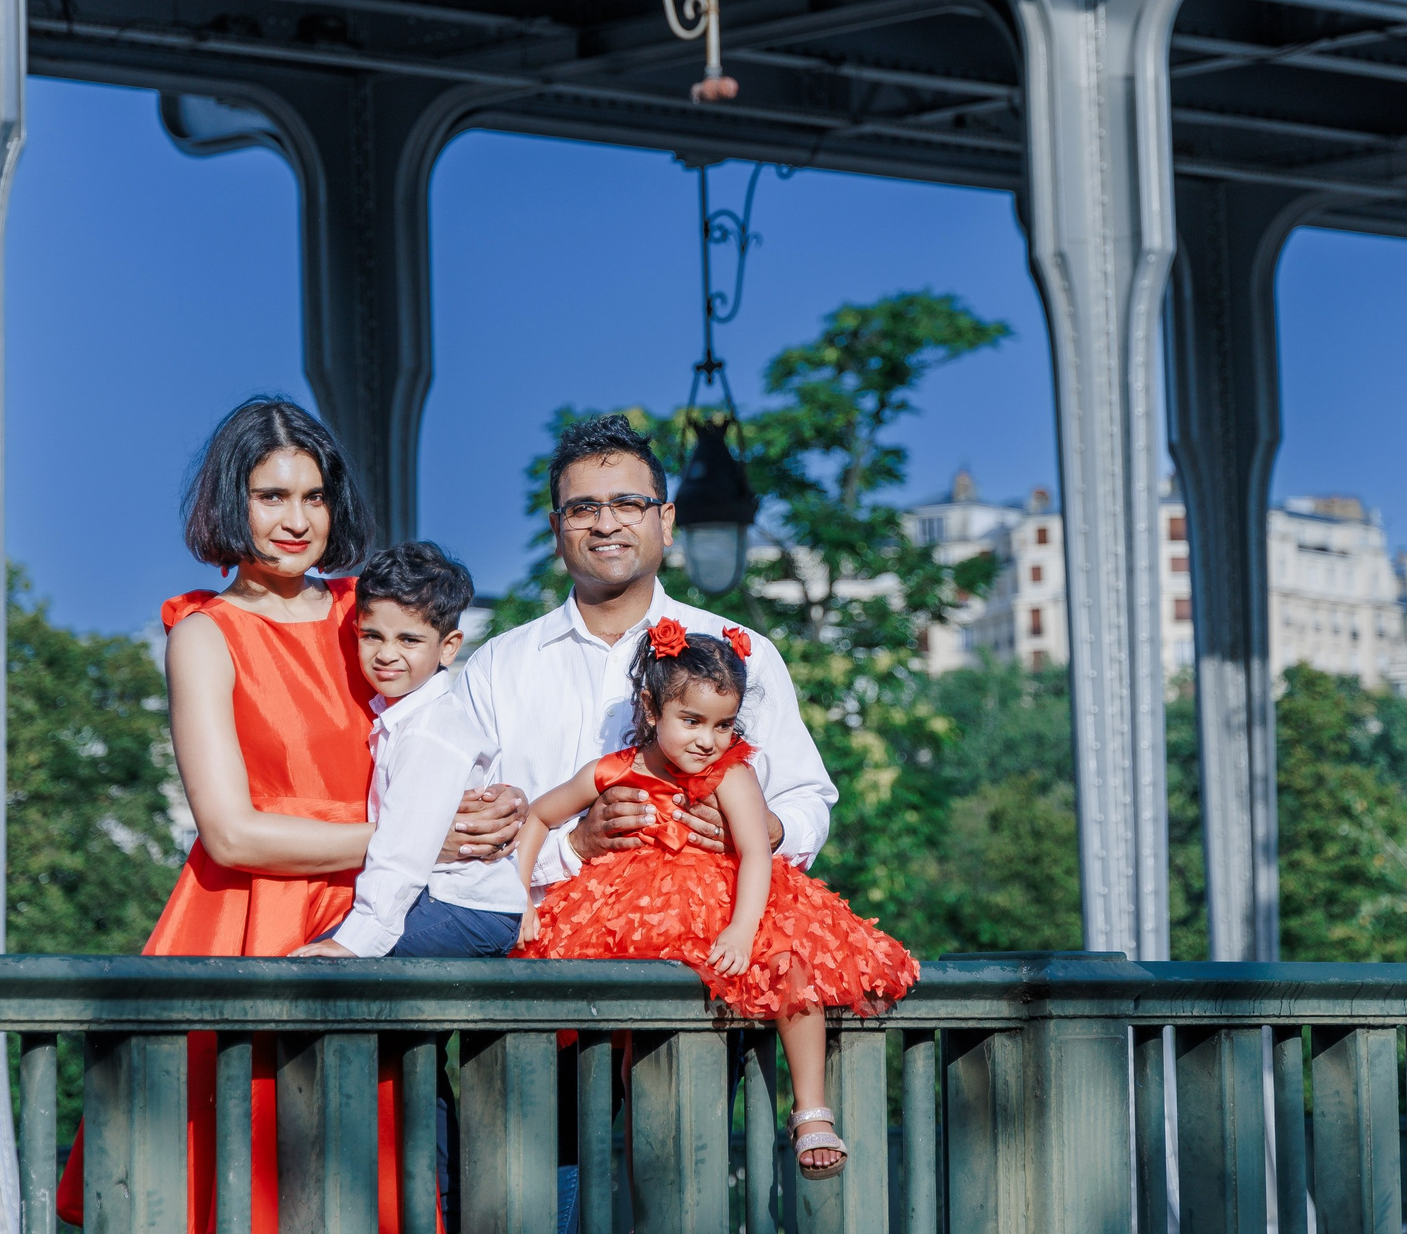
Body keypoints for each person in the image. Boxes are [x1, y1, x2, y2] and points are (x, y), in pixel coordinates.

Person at [56, 397, 521, 1233]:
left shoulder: (367, 614)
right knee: (252, 1182)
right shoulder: (205, 633)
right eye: (272, 496)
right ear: (231, 501)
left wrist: (501, 796)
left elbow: (445, 735)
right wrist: (413, 839)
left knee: (377, 1178)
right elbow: (229, 831)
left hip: (379, 909)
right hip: (253, 917)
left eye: (314, 496)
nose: (297, 519)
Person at [442, 413, 841, 1197]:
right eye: (583, 507)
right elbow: (454, 831)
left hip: (699, 976)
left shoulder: (739, 651)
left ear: (665, 518)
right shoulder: (497, 667)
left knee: (676, 1187)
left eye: (627, 503)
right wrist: (573, 847)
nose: (606, 523)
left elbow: (808, 798)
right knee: (533, 1197)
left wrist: (761, 827)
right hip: (544, 983)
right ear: (556, 527)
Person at [513, 621, 918, 1178]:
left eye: (724, 725)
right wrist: (521, 898)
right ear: (651, 709)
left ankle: (810, 1110)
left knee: (791, 967)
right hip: (637, 910)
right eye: (692, 721)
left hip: (730, 903)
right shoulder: (616, 769)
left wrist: (743, 929)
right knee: (637, 1026)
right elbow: (538, 816)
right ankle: (644, 1164)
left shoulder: (731, 775)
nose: (708, 739)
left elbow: (756, 852)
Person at [290, 541, 500, 959]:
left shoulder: (430, 732)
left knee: (318, 972)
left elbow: (403, 847)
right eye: (372, 636)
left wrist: (356, 941)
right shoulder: (402, 718)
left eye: (409, 639)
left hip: (464, 906)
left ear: (449, 647)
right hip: (448, 901)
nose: (386, 654)